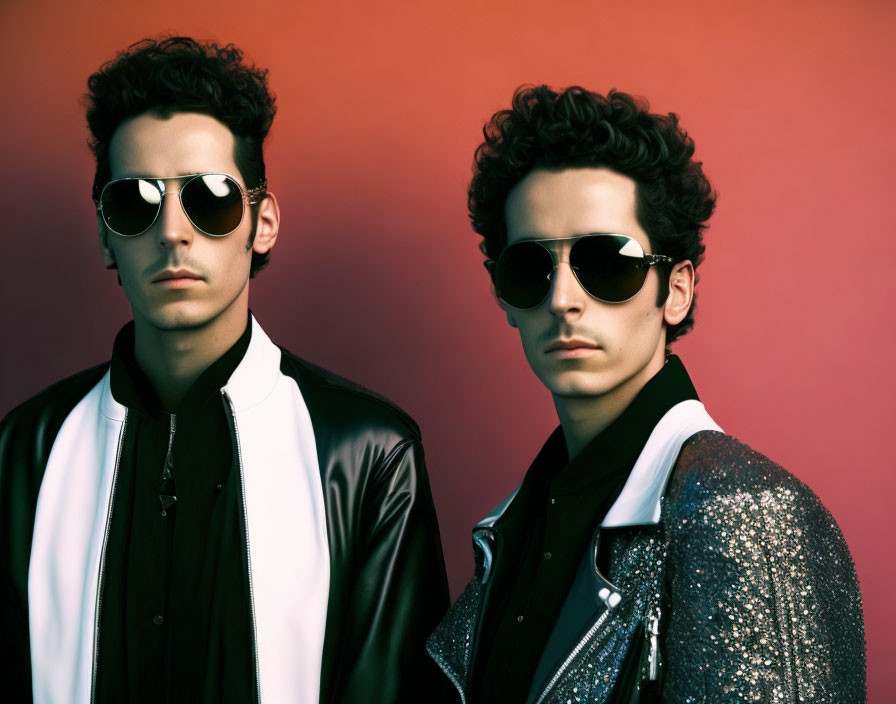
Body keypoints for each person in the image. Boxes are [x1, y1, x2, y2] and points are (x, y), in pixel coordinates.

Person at [0, 36, 448, 703]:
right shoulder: (25, 450)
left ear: (261, 222)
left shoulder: (367, 452)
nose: (173, 231)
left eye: (209, 198)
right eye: (135, 201)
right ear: (103, 235)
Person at [427, 86, 865, 703]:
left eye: (607, 264)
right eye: (530, 268)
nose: (562, 300)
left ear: (676, 289)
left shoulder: (749, 516)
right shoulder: (514, 528)